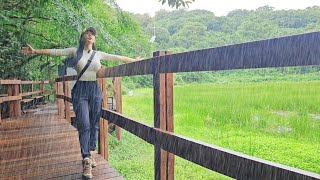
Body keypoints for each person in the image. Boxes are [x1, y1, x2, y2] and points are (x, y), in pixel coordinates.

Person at [21, 27, 139, 179]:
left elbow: (118, 58)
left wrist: (135, 61)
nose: (90, 35)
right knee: (84, 124)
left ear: (94, 40)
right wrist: (35, 51)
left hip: (95, 90)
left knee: (94, 123)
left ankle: (90, 151)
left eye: (92, 34)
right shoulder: (75, 52)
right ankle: (86, 159)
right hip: (80, 90)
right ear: (83, 37)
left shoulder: (98, 54)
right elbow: (56, 52)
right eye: (87, 33)